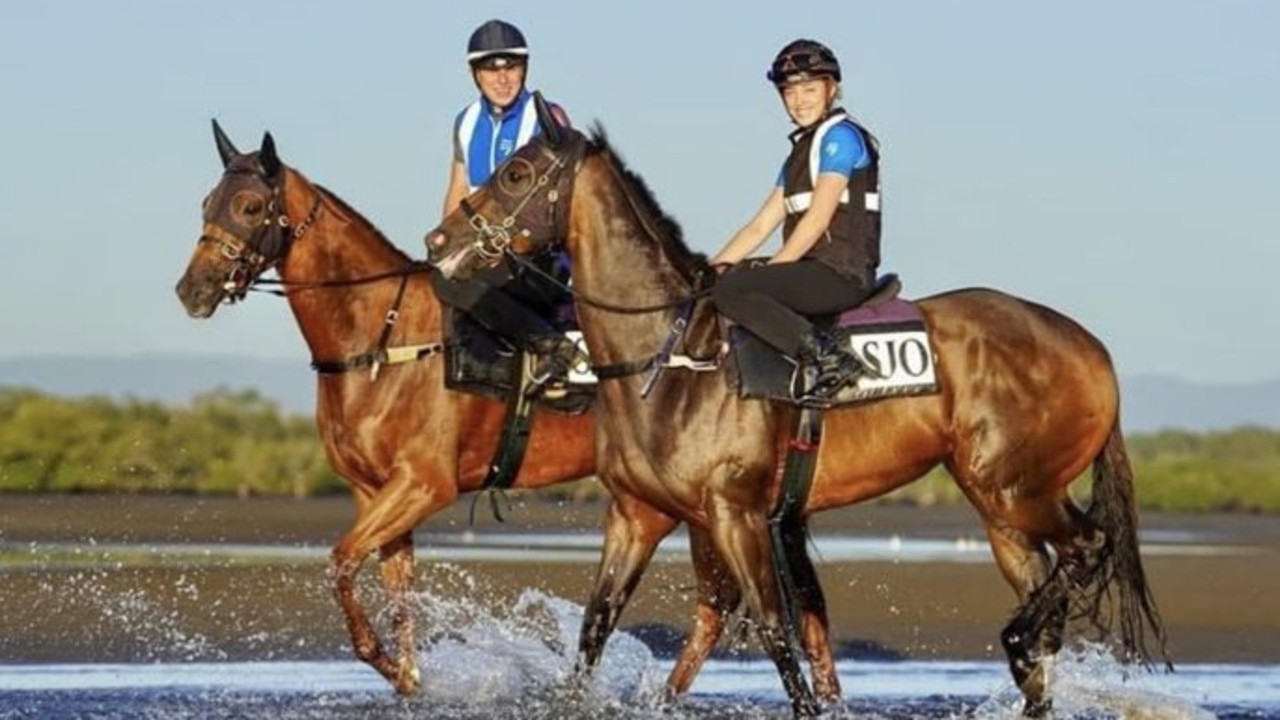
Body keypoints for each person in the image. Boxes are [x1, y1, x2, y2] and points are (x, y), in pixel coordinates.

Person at [709, 39, 882, 401]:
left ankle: (829, 358)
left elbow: (817, 220)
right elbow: (759, 226)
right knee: (723, 282)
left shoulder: (842, 137)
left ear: (831, 89)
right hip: (809, 269)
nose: (799, 100)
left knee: (736, 290)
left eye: (809, 89)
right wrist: (709, 269)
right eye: (789, 92)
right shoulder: (800, 154)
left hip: (840, 275)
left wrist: (769, 270)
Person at [429, 19, 578, 389]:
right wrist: (447, 246)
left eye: (510, 67)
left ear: (524, 68)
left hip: (538, 257)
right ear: (474, 74)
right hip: (484, 252)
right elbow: (458, 188)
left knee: (456, 286)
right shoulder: (465, 122)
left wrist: (505, 246)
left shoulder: (547, 118)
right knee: (434, 279)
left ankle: (554, 348)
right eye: (490, 69)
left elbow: (565, 200)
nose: (502, 79)